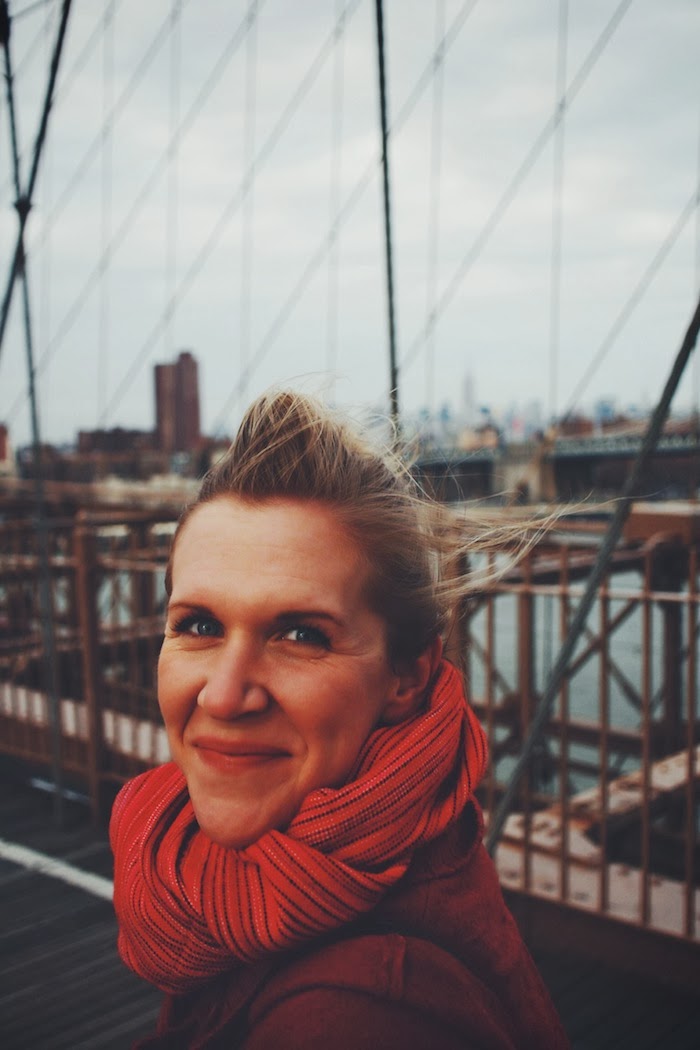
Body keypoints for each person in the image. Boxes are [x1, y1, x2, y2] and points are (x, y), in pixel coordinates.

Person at [110, 390, 569, 1049]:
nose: (225, 696)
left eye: (301, 635)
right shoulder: (193, 870)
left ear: (408, 677)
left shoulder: (366, 1010)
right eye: (199, 625)